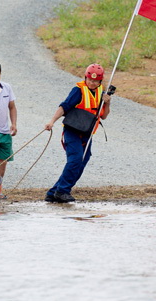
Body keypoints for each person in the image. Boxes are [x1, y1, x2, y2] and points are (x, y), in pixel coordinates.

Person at [43, 63, 112, 203]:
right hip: (72, 130)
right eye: (90, 80)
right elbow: (64, 106)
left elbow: (103, 116)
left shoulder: (102, 92)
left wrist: (107, 103)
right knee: (75, 160)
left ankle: (53, 192)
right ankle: (62, 191)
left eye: (95, 81)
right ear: (85, 77)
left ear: (100, 81)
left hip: (87, 132)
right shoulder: (78, 90)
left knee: (83, 160)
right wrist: (52, 121)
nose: (92, 83)